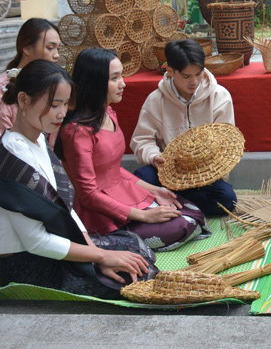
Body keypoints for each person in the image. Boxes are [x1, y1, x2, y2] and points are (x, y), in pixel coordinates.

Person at [0, 60, 156, 299]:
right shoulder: (14, 156)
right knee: (134, 278)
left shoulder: (37, 138)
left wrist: (97, 255)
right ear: (23, 100)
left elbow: (65, 207)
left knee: (135, 249)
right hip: (30, 269)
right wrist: (102, 256)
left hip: (53, 247)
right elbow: (36, 242)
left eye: (64, 104)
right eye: (53, 105)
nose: (61, 114)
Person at [57, 48, 209, 251]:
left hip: (122, 191)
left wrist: (155, 191)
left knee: (191, 212)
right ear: (95, 81)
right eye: (115, 78)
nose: (123, 83)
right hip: (100, 211)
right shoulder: (76, 132)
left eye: (121, 76)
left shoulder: (108, 113)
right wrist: (144, 215)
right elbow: (89, 195)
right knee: (183, 225)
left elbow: (112, 169)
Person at [131, 39, 237, 215]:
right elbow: (141, 140)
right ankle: (178, 204)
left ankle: (168, 204)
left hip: (206, 176)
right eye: (186, 76)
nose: (194, 81)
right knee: (139, 179)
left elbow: (226, 141)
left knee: (227, 199)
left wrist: (207, 169)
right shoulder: (156, 100)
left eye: (199, 74)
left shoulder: (220, 96)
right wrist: (154, 157)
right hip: (168, 173)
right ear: (170, 71)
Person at [0, 18, 61, 169]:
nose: (56, 55)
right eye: (50, 48)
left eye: (58, 49)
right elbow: (2, 151)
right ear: (27, 48)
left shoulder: (52, 86)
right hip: (12, 179)